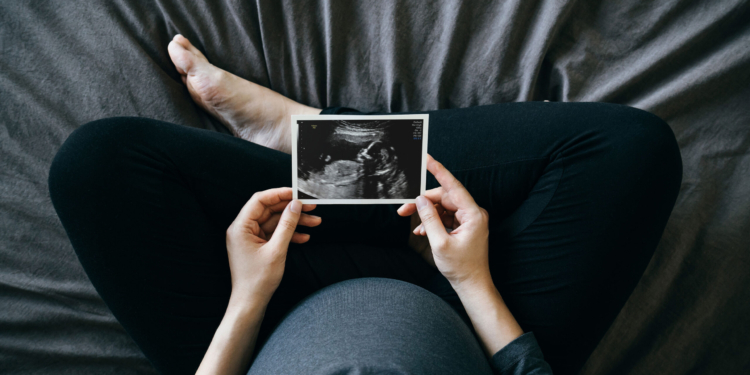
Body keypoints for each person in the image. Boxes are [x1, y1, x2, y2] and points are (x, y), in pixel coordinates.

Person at [48, 35, 682, 375]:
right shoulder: (469, 289)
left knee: (97, 165)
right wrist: (470, 280)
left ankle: (313, 147)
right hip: (470, 316)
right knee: (631, 150)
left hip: (262, 319)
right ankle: (316, 142)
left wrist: (246, 297)